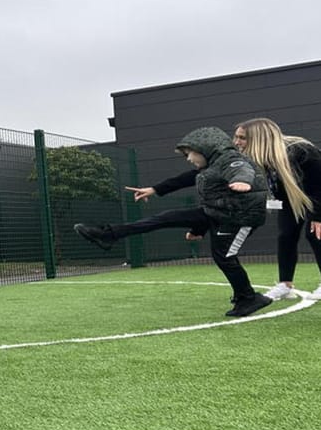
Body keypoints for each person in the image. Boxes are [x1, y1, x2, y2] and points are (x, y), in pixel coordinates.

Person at [74, 126, 272, 317]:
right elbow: (184, 179)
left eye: (190, 154)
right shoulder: (210, 166)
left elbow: (242, 169)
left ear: (205, 149)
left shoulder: (230, 159)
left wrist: (243, 182)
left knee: (224, 256)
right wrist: (155, 190)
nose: (188, 159)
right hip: (218, 213)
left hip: (241, 217)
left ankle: (249, 298)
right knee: (164, 218)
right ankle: (108, 235)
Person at [232, 117, 321, 300]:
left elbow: (318, 185)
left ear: (259, 138)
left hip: (317, 195)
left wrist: (318, 216)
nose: (236, 142)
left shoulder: (300, 150)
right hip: (292, 198)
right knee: (285, 235)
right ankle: (285, 285)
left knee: (315, 234)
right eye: (236, 137)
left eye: (242, 138)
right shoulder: (261, 158)